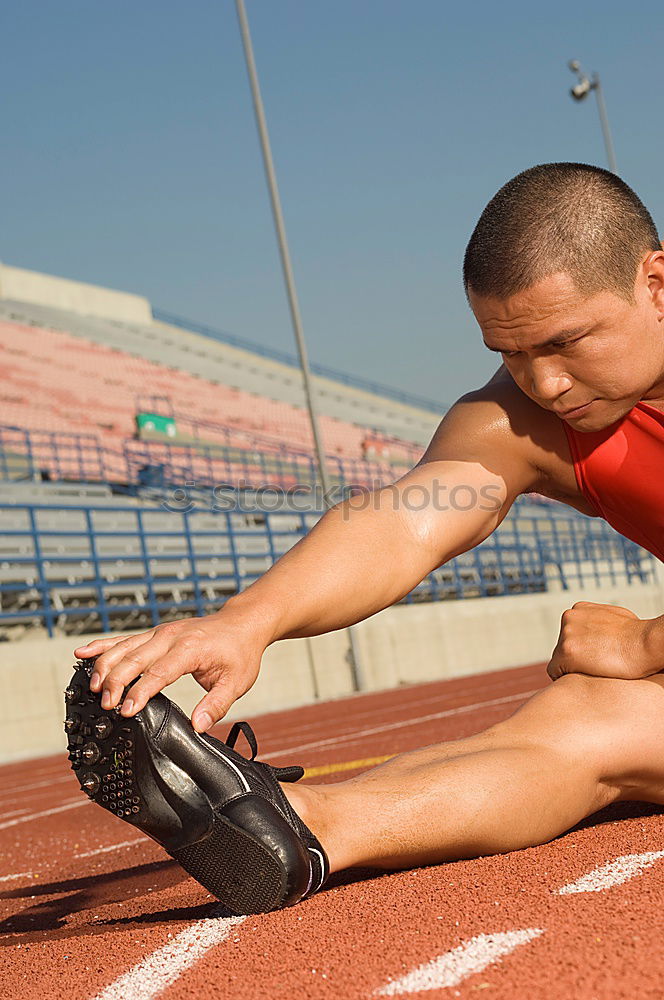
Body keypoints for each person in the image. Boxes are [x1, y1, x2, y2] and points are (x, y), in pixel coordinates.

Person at [67, 162, 664, 915]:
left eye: (566, 341)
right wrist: (246, 622)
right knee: (592, 715)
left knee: (615, 715)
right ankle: (301, 827)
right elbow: (403, 522)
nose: (544, 383)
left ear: (656, 284)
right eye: (512, 353)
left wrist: (644, 645)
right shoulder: (530, 421)